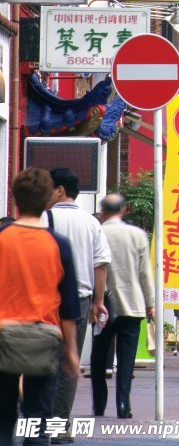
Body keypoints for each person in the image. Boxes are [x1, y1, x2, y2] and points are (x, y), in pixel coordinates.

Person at [0, 168, 81, 446]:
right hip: (44, 338)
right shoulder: (58, 244)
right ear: (48, 201)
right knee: (38, 418)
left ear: (15, 199)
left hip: (3, 337)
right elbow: (69, 304)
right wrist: (71, 351)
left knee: (2, 416)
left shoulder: (2, 239)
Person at [45, 168, 111, 441]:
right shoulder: (91, 222)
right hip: (81, 300)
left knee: (43, 360)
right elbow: (100, 265)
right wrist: (98, 302)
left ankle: (39, 419)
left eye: (49, 187)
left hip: (46, 300)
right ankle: (60, 425)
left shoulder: (43, 218)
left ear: (60, 189)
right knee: (70, 362)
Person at [91, 194, 154, 418]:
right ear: (124, 209)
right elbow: (145, 272)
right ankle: (123, 404)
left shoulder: (97, 231)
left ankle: (98, 404)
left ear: (102, 210)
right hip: (132, 304)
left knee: (99, 355)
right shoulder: (137, 234)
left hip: (103, 303)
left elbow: (94, 267)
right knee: (127, 358)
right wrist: (150, 303)